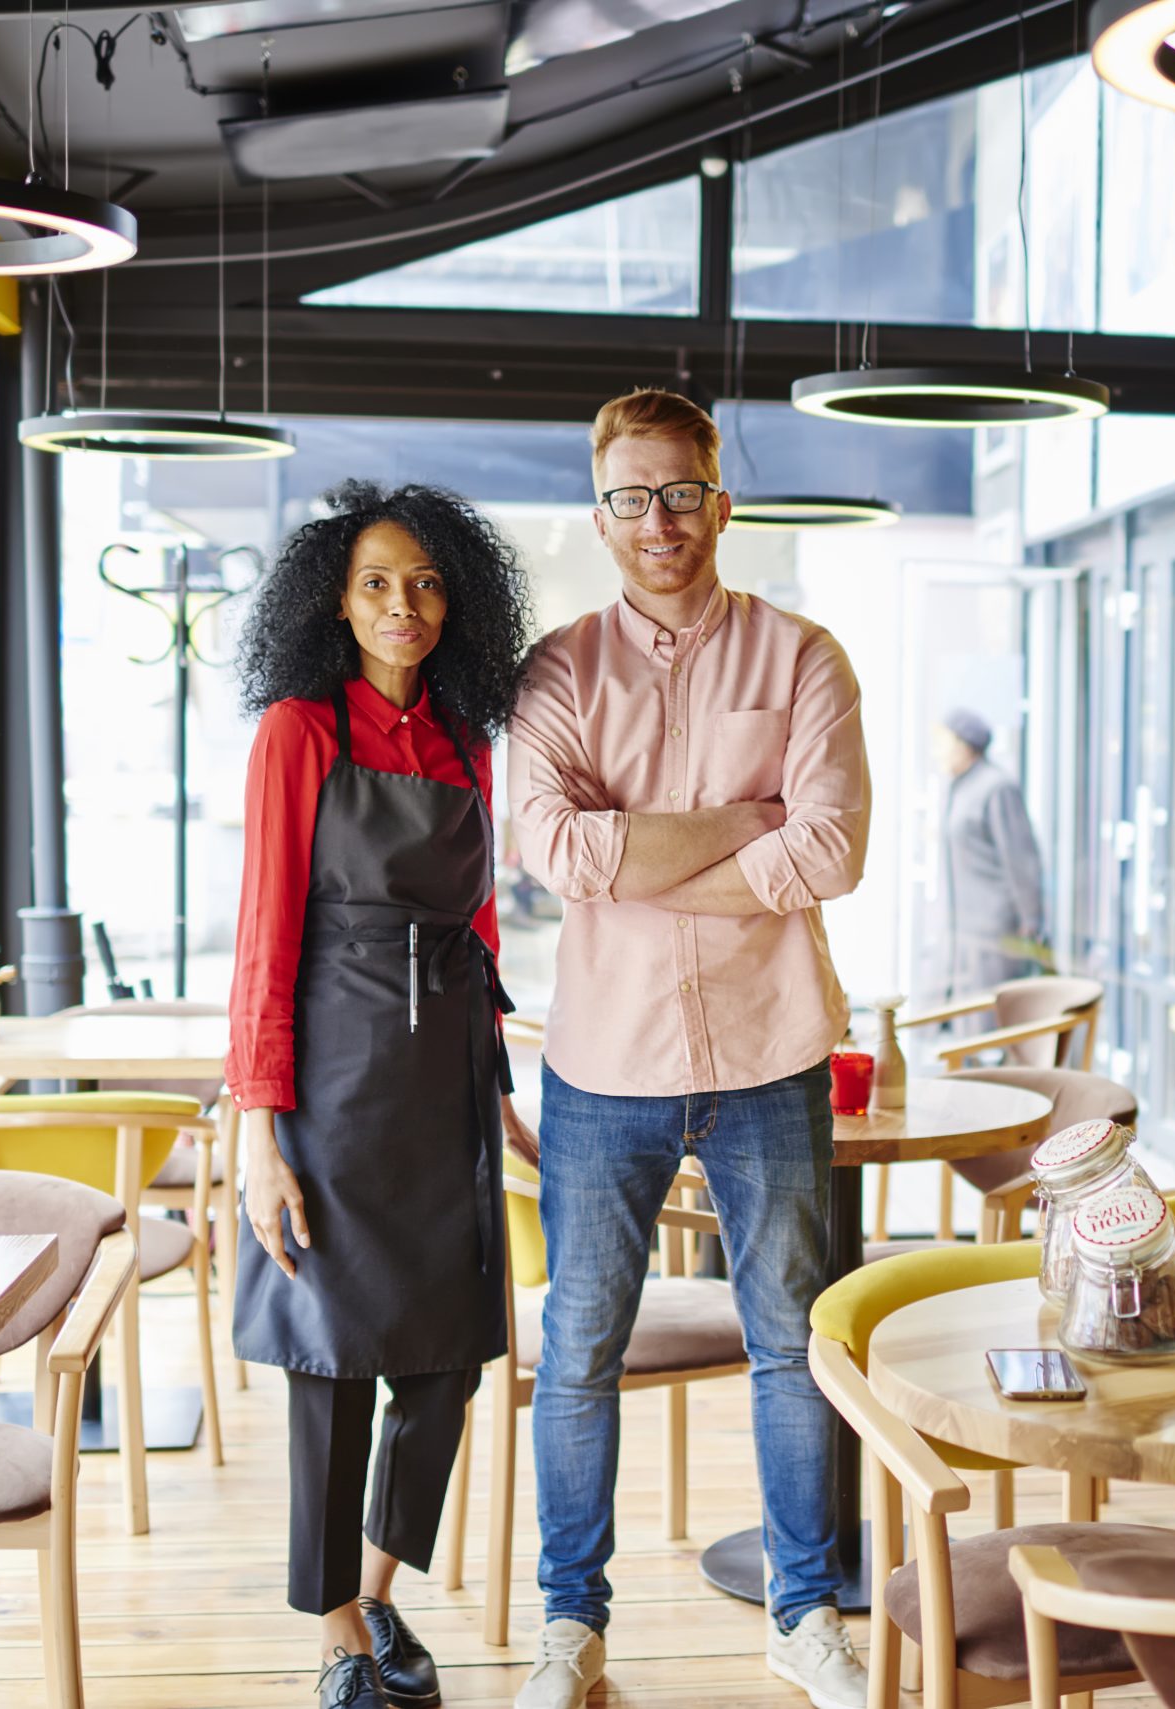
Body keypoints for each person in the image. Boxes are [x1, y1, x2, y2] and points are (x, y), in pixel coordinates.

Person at [505, 388, 870, 1709]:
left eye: (678, 492)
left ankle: (804, 1614)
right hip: (603, 1062)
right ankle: (571, 1631)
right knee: (579, 1347)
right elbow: (556, 853)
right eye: (628, 497)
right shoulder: (557, 672)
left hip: (771, 1048)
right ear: (598, 517)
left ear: (720, 501)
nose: (656, 520)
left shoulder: (804, 657)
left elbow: (830, 849)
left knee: (790, 1343)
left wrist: (644, 852)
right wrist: (741, 821)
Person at [225, 481, 539, 1709]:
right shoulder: (301, 730)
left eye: (422, 582)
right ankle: (337, 1633)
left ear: (453, 598)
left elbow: (477, 920)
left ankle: (380, 1580)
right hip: (331, 1080)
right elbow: (262, 934)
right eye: (373, 583)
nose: (401, 604)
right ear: (333, 600)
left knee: (450, 1360)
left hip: (447, 1073)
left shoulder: (469, 739)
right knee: (330, 1363)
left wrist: (499, 1089)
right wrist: (260, 1129)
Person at [935, 708, 1046, 995]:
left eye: (943, 742)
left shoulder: (996, 787)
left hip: (992, 934)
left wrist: (1031, 920)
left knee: (989, 1021)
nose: (937, 751)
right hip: (961, 930)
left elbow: (1021, 859)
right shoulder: (957, 787)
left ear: (965, 745)